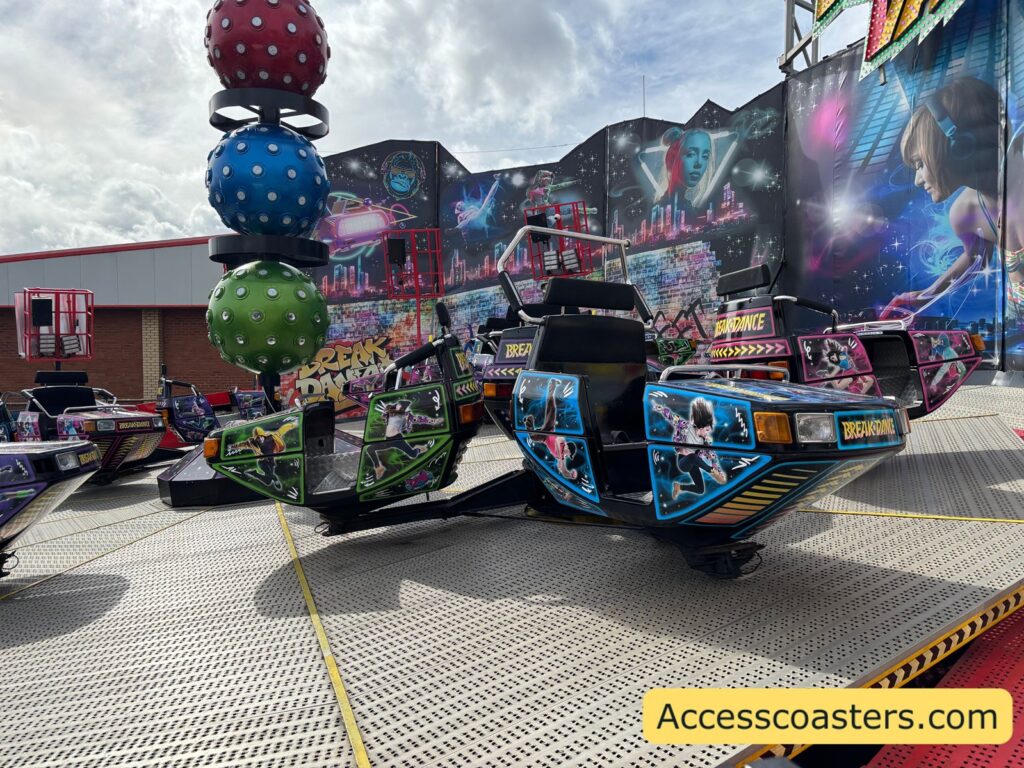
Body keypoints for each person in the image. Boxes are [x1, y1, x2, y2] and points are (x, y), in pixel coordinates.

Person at [882, 77, 1008, 318]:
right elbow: (976, 257)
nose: (918, 180)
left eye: (919, 163)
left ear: (959, 146)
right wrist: (927, 293)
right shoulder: (965, 214)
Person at [651, 397, 727, 498]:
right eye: (707, 430)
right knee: (692, 457)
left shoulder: (706, 442)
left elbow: (713, 458)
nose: (708, 433)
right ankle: (711, 471)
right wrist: (658, 407)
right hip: (684, 462)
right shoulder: (685, 427)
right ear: (701, 426)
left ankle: (679, 487)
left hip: (694, 463)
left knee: (700, 489)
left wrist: (720, 473)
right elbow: (671, 416)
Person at [661, 127, 714, 206]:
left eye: (705, 156)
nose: (699, 163)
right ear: (672, 159)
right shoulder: (668, 207)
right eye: (691, 154)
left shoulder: (684, 206)